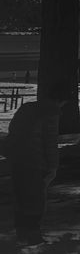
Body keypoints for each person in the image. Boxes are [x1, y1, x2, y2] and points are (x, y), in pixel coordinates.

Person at [3, 98, 62, 245]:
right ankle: (33, 234)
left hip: (17, 158)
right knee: (36, 198)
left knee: (21, 195)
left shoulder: (26, 109)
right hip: (36, 161)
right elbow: (50, 143)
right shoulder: (50, 114)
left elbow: (13, 131)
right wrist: (53, 167)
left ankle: (21, 231)